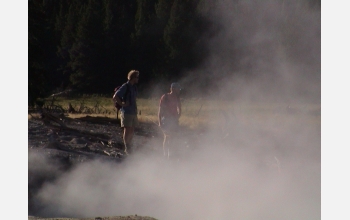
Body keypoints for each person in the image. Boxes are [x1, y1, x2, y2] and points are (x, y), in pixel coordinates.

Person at [113, 70, 140, 155]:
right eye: (137, 77)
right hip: (126, 112)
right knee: (127, 129)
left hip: (133, 112)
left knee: (132, 130)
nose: (138, 79)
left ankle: (130, 145)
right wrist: (122, 104)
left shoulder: (134, 87)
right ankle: (127, 147)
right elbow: (115, 96)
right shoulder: (126, 86)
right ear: (133, 77)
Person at [158, 83, 182, 158]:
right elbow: (160, 110)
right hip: (166, 120)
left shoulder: (177, 98)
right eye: (178, 89)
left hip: (174, 120)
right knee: (167, 136)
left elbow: (179, 108)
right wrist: (160, 122)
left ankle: (170, 153)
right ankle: (165, 154)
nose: (179, 91)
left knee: (173, 136)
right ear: (173, 89)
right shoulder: (165, 97)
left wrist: (178, 116)